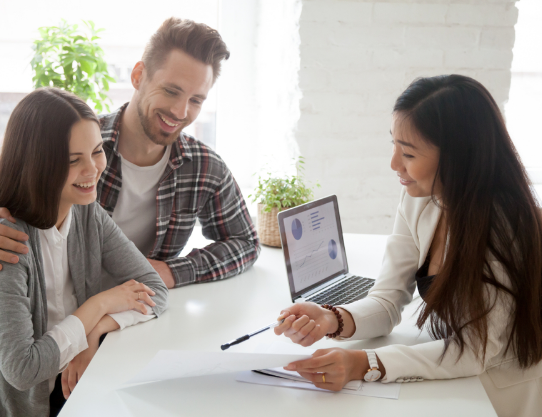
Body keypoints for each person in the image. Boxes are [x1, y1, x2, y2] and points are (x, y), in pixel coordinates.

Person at [273, 75, 542, 417]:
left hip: (496, 395)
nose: (394, 165)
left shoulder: (505, 228)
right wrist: (331, 319)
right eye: (394, 145)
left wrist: (361, 362)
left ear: (459, 159)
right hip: (447, 376)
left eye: (409, 153)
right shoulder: (420, 199)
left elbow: (475, 351)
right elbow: (387, 300)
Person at [0, 17, 260, 289]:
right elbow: (12, 182)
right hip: (62, 313)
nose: (181, 112)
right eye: (171, 91)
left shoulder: (204, 168)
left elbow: (246, 243)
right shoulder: (79, 142)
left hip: (137, 312)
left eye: (196, 100)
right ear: (138, 76)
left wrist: (172, 271)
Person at [0, 88, 168, 417]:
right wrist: (98, 304)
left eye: (96, 151)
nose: (92, 169)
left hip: (76, 391)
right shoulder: (10, 239)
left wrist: (95, 330)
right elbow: (22, 370)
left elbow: (154, 289)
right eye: (73, 160)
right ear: (37, 165)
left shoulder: (87, 214)